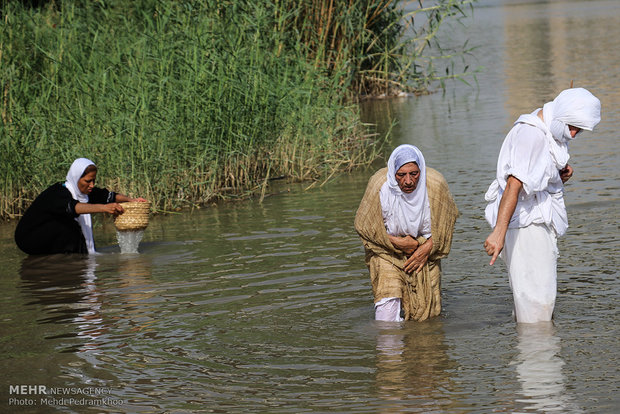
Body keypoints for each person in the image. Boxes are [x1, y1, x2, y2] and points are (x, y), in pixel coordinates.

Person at [483, 87, 601, 323]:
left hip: (535, 223)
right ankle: (537, 355)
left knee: (536, 302)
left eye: (580, 130)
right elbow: (513, 184)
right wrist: (498, 232)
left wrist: (559, 174)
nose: (575, 135)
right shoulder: (532, 135)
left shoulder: (547, 127)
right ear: (561, 116)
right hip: (527, 227)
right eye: (573, 127)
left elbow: (536, 172)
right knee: (536, 306)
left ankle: (533, 354)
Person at [355, 144, 458, 322]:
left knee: (427, 315)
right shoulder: (380, 185)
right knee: (386, 314)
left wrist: (424, 249)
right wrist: (399, 243)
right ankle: (390, 348)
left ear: (421, 170)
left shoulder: (435, 184)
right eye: (401, 175)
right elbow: (365, 226)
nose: (408, 181)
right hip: (387, 251)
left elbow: (445, 226)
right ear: (393, 173)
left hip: (426, 251)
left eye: (414, 174)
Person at [15, 158, 148, 255]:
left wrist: (132, 200)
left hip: (48, 236)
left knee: (74, 234)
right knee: (72, 230)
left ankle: (72, 258)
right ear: (76, 177)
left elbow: (109, 196)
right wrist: (104, 208)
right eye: (88, 181)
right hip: (29, 238)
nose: (91, 185)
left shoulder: (85, 192)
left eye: (94, 180)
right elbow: (74, 207)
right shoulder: (58, 192)